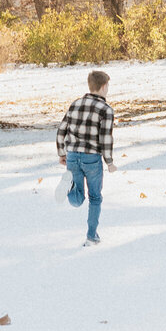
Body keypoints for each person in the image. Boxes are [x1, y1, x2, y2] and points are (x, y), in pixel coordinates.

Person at [57, 69, 117, 246]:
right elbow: (106, 138)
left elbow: (61, 130)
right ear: (104, 86)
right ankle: (91, 237)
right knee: (95, 198)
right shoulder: (106, 109)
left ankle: (69, 189)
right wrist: (110, 162)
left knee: (77, 200)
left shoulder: (75, 104)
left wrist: (62, 153)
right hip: (92, 158)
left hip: (73, 155)